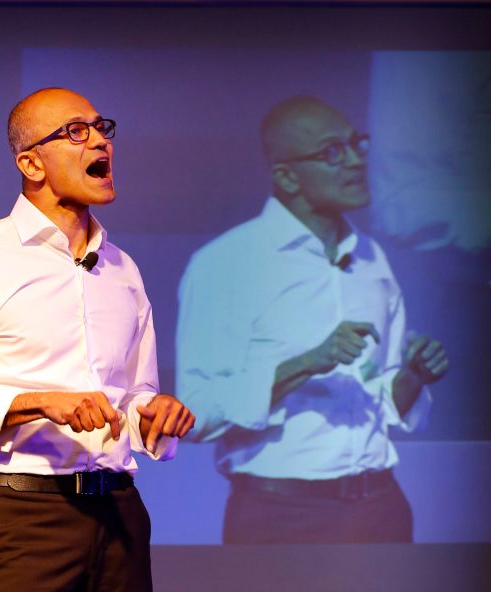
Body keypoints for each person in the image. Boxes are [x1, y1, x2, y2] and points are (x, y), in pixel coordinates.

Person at [0, 87, 194, 591]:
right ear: (31, 163)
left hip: (120, 513)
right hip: (22, 516)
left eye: (102, 128)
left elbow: (131, 397)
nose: (100, 143)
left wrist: (153, 414)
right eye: (75, 132)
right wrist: (42, 404)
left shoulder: (123, 270)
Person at [175, 96, 448, 544]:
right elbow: (196, 413)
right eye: (332, 153)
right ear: (286, 176)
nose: (357, 160)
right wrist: (306, 362)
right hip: (281, 515)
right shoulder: (225, 264)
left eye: (357, 144)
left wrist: (414, 375)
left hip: (381, 506)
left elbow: (385, 397)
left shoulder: (371, 259)